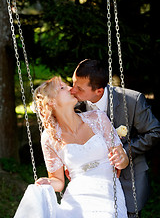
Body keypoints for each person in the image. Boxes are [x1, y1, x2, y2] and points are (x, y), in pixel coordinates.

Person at [14, 76, 129, 218]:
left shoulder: (98, 118)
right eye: (62, 88)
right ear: (51, 102)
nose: (71, 89)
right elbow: (58, 182)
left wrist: (120, 158)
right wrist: (47, 182)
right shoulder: (49, 138)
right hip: (77, 196)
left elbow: (123, 162)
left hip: (108, 192)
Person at [70, 59, 160, 218]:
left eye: (79, 88)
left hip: (129, 179)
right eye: (73, 83)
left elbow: (153, 132)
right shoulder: (75, 107)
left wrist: (125, 152)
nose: (72, 90)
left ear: (98, 91)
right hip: (94, 185)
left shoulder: (132, 100)